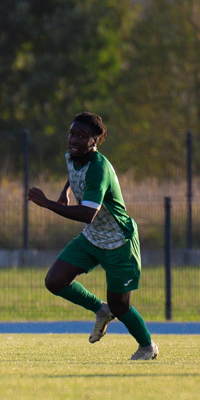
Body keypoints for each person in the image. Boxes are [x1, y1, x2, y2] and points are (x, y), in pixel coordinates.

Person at [27, 112, 158, 360]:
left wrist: (47, 203)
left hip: (119, 242)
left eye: (82, 136)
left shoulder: (99, 168)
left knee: (121, 306)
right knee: (54, 281)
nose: (74, 140)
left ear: (95, 140)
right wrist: (65, 191)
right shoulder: (72, 155)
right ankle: (100, 310)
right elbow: (74, 173)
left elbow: (88, 213)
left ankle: (147, 347)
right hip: (93, 238)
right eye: (72, 133)